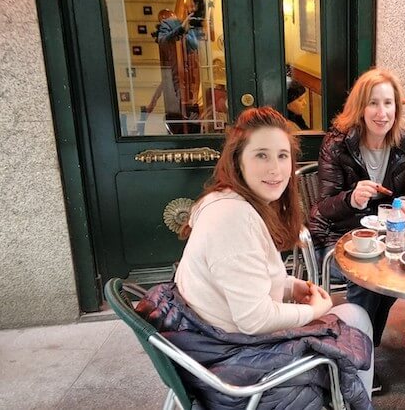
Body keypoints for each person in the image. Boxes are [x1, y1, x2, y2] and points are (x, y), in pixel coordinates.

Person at [144, 107, 374, 408]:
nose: (275, 169)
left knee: (353, 316)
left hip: (216, 346)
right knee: (357, 317)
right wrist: (313, 310)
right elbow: (254, 319)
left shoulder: (221, 201)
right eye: (261, 155)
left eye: (282, 156)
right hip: (240, 371)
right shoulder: (232, 218)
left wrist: (291, 286)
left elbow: (239, 276)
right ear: (238, 160)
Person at [309, 68, 405, 390]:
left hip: (386, 237)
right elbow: (322, 207)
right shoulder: (337, 144)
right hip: (336, 235)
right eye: (373, 103)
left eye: (388, 103)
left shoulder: (404, 144)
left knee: (399, 274)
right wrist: (352, 199)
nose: (381, 113)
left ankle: (362, 347)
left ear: (397, 108)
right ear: (360, 107)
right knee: (371, 278)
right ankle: (356, 362)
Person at [146, 7, 202, 134]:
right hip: (178, 83)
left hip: (187, 78)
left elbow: (194, 45)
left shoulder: (181, 39)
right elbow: (163, 40)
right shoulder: (169, 39)